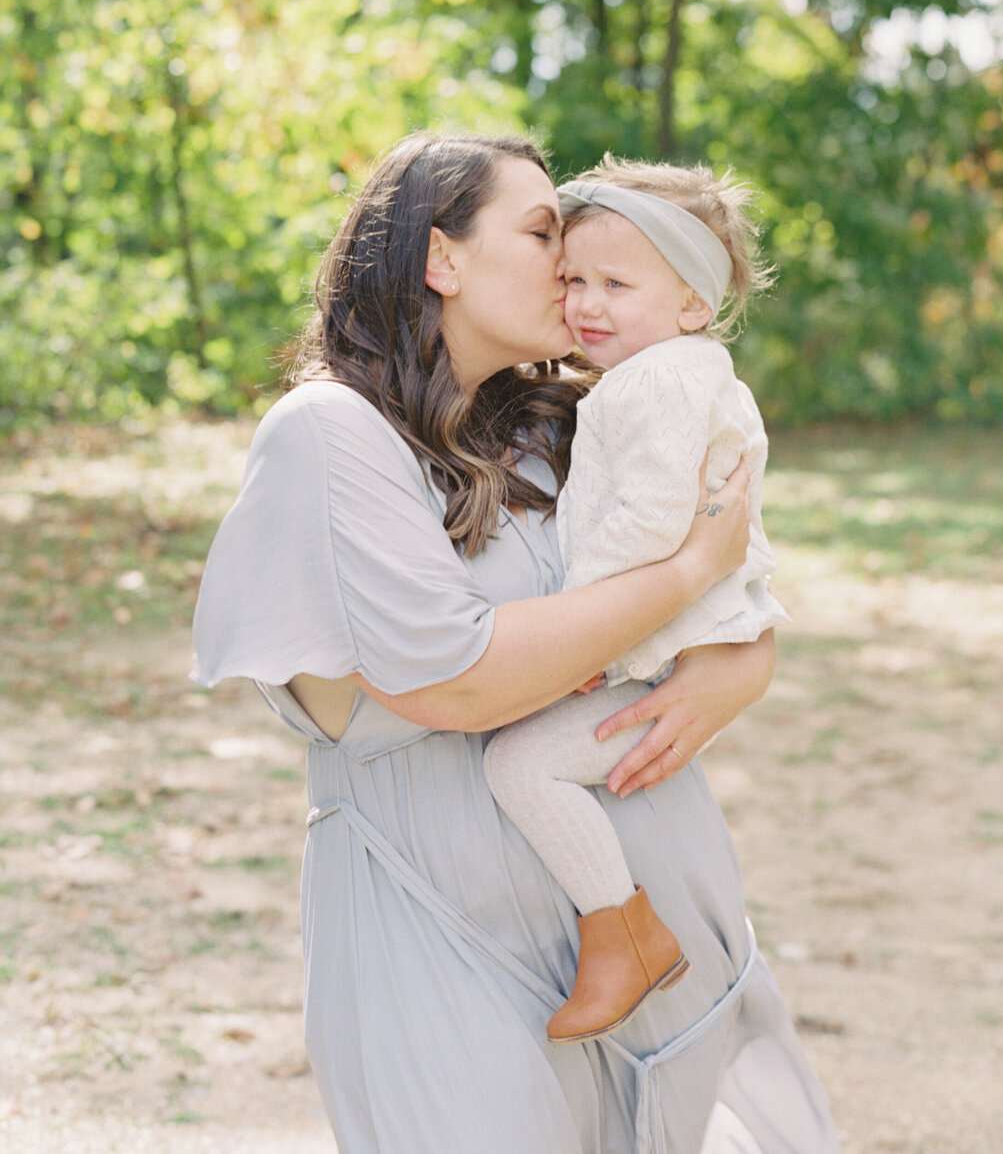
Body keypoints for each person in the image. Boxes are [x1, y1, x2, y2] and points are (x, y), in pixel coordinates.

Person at [191, 133, 841, 1154]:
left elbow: (729, 563)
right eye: (544, 233)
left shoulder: (562, 418)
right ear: (442, 259)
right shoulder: (330, 433)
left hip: (654, 917)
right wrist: (679, 580)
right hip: (446, 930)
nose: (570, 260)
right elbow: (459, 678)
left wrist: (743, 663)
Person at [483, 158, 790, 1046]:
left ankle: (623, 933)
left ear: (693, 302)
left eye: (617, 283)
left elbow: (653, 523)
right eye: (575, 278)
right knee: (529, 766)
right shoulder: (669, 372)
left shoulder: (662, 378)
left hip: (650, 642)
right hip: (663, 637)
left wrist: (582, 640)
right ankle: (622, 932)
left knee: (520, 766)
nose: (586, 302)